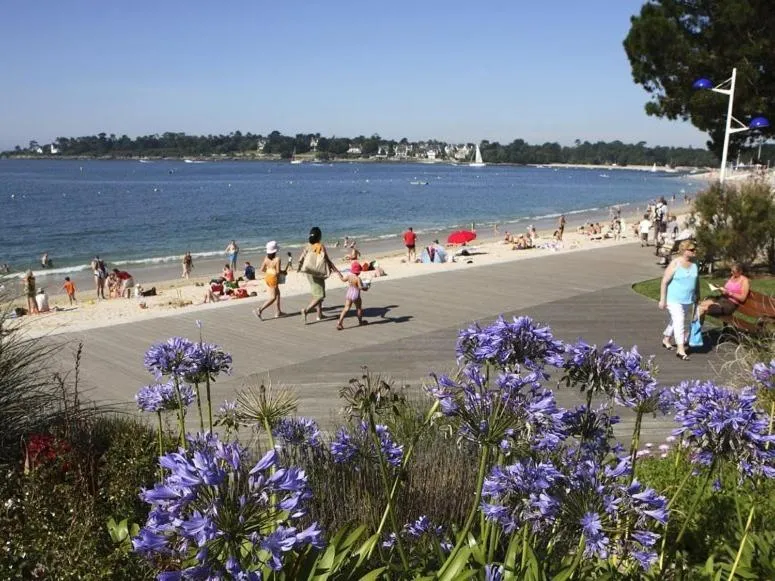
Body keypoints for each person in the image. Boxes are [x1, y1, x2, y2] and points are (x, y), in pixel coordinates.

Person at [659, 240, 700, 361]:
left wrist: (698, 293)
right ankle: (681, 350)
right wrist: (662, 300)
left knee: (676, 320)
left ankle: (666, 339)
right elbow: (664, 281)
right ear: (684, 250)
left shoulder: (695, 263)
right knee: (679, 321)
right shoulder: (675, 263)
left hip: (688, 299)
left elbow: (696, 280)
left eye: (695, 249)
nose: (694, 251)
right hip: (674, 299)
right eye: (691, 250)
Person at [297, 226, 340, 323]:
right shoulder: (320, 246)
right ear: (319, 236)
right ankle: (306, 310)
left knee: (316, 293)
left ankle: (319, 315)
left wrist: (300, 269)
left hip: (309, 272)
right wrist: (337, 272)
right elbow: (327, 260)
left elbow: (301, 259)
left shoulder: (307, 245)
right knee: (320, 295)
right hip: (318, 272)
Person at [254, 241, 286, 320]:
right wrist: (284, 272)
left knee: (277, 293)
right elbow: (278, 271)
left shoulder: (266, 258)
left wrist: (269, 271)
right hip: (273, 278)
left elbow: (262, 269)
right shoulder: (277, 259)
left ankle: (278, 312)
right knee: (273, 297)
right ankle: (259, 310)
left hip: (268, 277)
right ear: (275, 251)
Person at [336, 261, 368, 330]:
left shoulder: (349, 276)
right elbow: (360, 287)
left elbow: (343, 279)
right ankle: (360, 322)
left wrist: (339, 273)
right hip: (356, 294)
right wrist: (365, 288)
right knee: (359, 308)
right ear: (358, 272)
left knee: (346, 308)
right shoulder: (358, 278)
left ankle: (340, 323)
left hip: (349, 293)